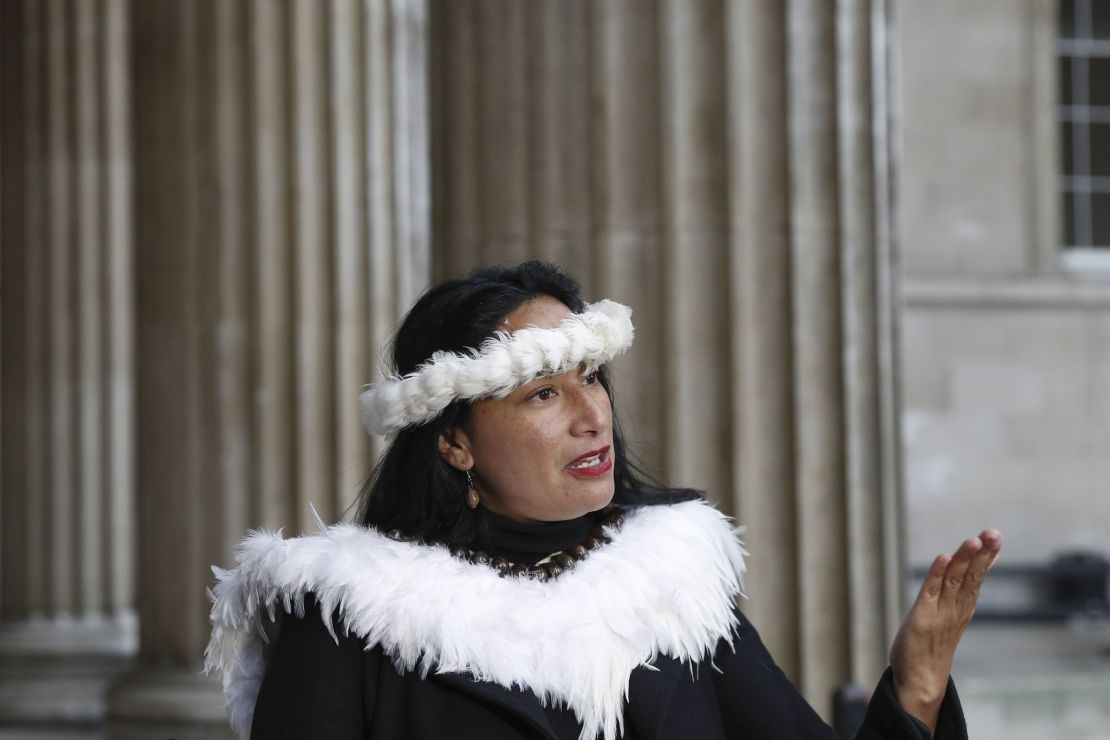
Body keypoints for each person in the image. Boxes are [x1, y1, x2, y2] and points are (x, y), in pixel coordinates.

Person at [206, 261, 1002, 740]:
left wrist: (918, 683)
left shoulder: (672, 587)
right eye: (543, 394)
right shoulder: (352, 618)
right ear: (454, 441)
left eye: (591, 379)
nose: (593, 417)